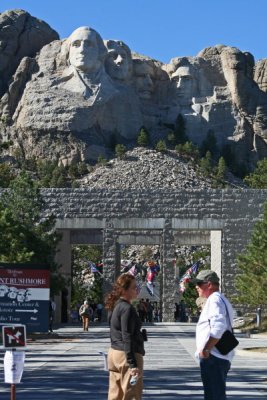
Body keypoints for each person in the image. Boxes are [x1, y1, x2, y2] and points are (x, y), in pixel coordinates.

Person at [192, 269, 235, 400]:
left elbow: (219, 326)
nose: (196, 287)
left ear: (209, 284)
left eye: (199, 284)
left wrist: (206, 349)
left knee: (213, 396)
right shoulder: (221, 299)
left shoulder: (214, 300)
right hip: (218, 356)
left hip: (214, 357)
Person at [105, 274, 145, 400]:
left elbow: (113, 330)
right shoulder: (127, 308)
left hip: (113, 353)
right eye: (134, 287)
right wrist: (133, 364)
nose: (137, 289)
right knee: (131, 394)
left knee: (115, 395)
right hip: (127, 355)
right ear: (125, 290)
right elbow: (126, 336)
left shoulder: (115, 306)